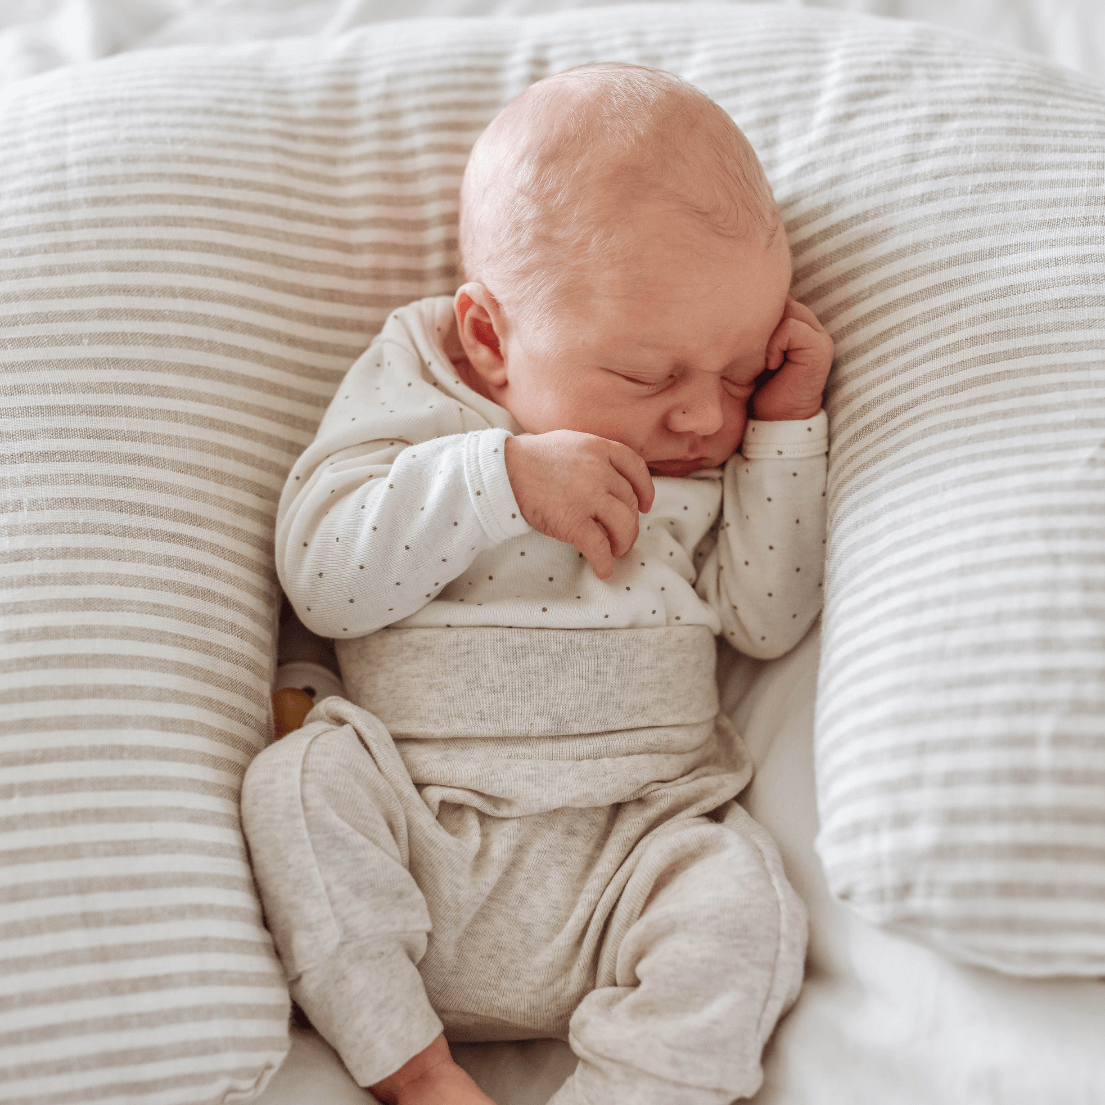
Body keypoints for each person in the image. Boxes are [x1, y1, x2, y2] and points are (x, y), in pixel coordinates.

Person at [242, 61, 833, 1105]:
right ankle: (413, 1068)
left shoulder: (707, 458)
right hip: (419, 814)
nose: (701, 417)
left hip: (635, 834)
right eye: (648, 377)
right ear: (488, 338)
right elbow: (322, 576)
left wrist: (782, 426)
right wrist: (496, 480)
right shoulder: (417, 383)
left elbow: (766, 616)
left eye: (736, 372)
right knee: (297, 786)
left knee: (747, 904)